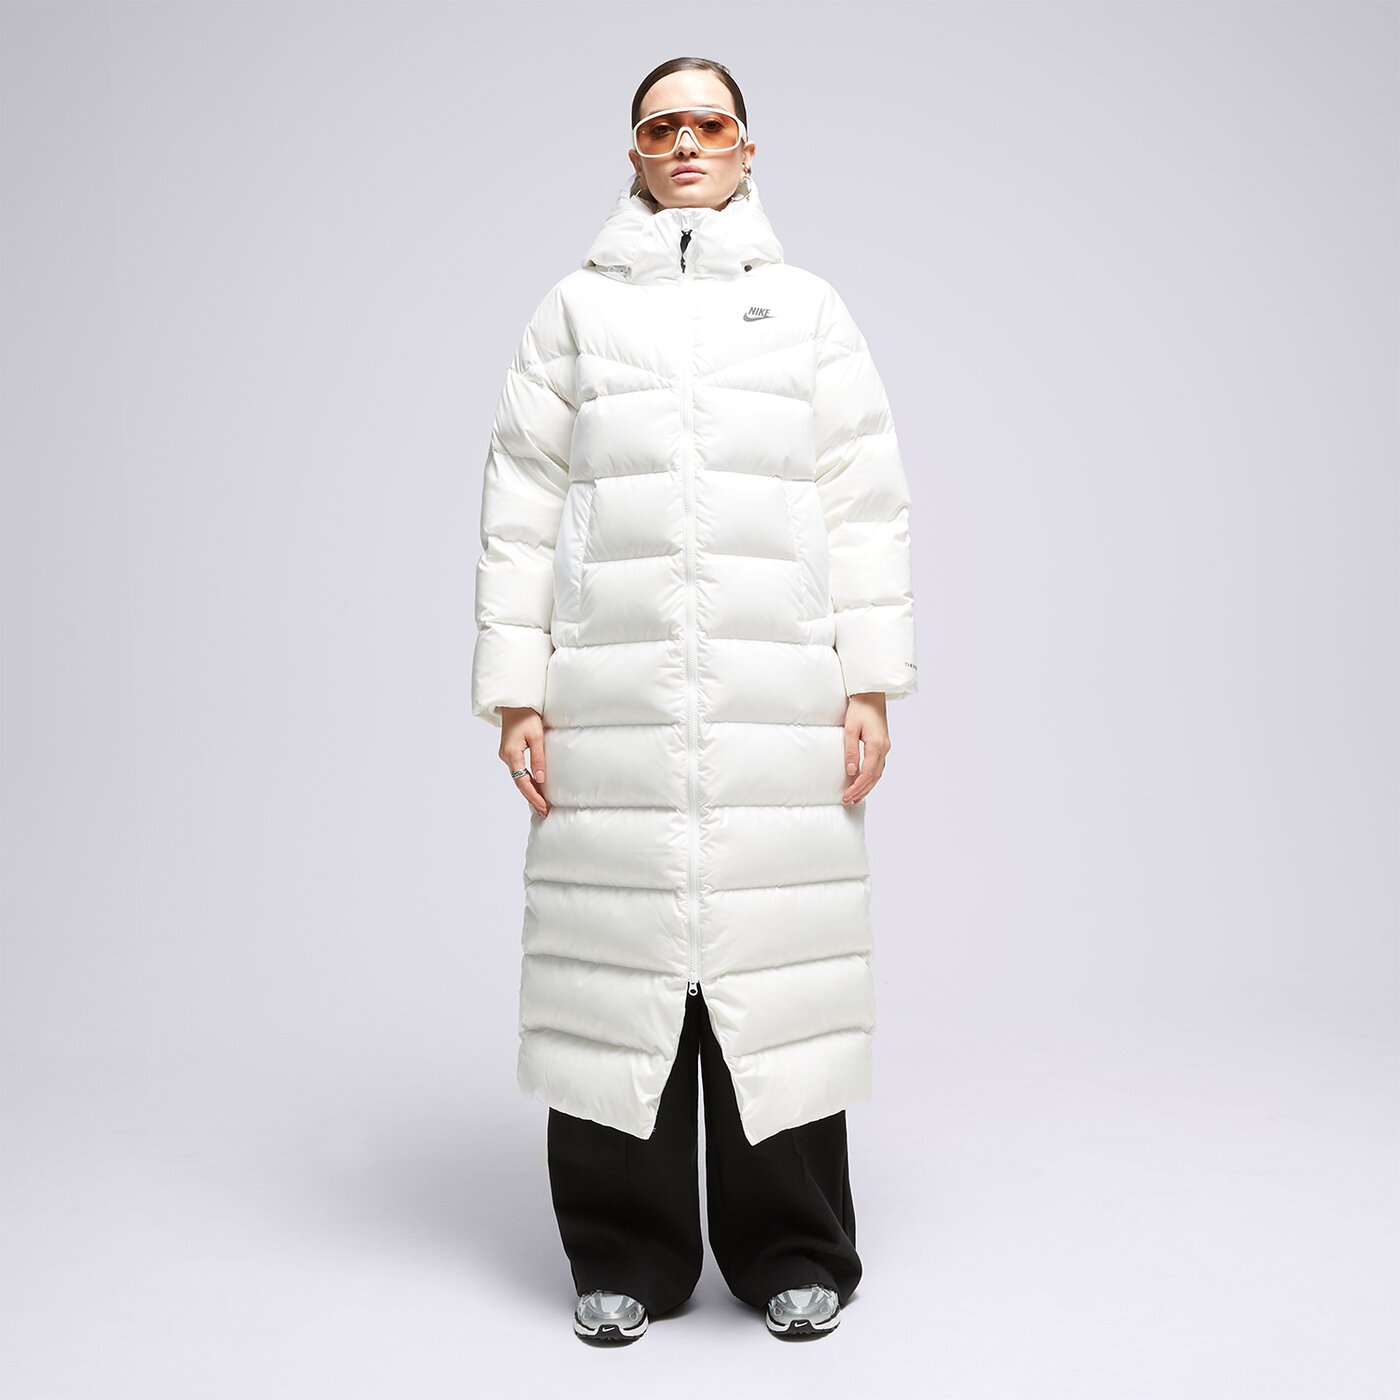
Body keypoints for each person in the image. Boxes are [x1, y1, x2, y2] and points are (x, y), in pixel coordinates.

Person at [471, 56, 918, 1344]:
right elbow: (519, 505)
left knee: (779, 964)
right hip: (607, 689)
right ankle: (626, 1253)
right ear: (631, 152)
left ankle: (796, 1248)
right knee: (614, 966)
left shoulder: (808, 310)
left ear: (746, 148)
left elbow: (864, 501)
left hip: (779, 687)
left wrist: (870, 681)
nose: (685, 144)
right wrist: (516, 692)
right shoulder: (573, 312)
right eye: (660, 126)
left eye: (708, 124)